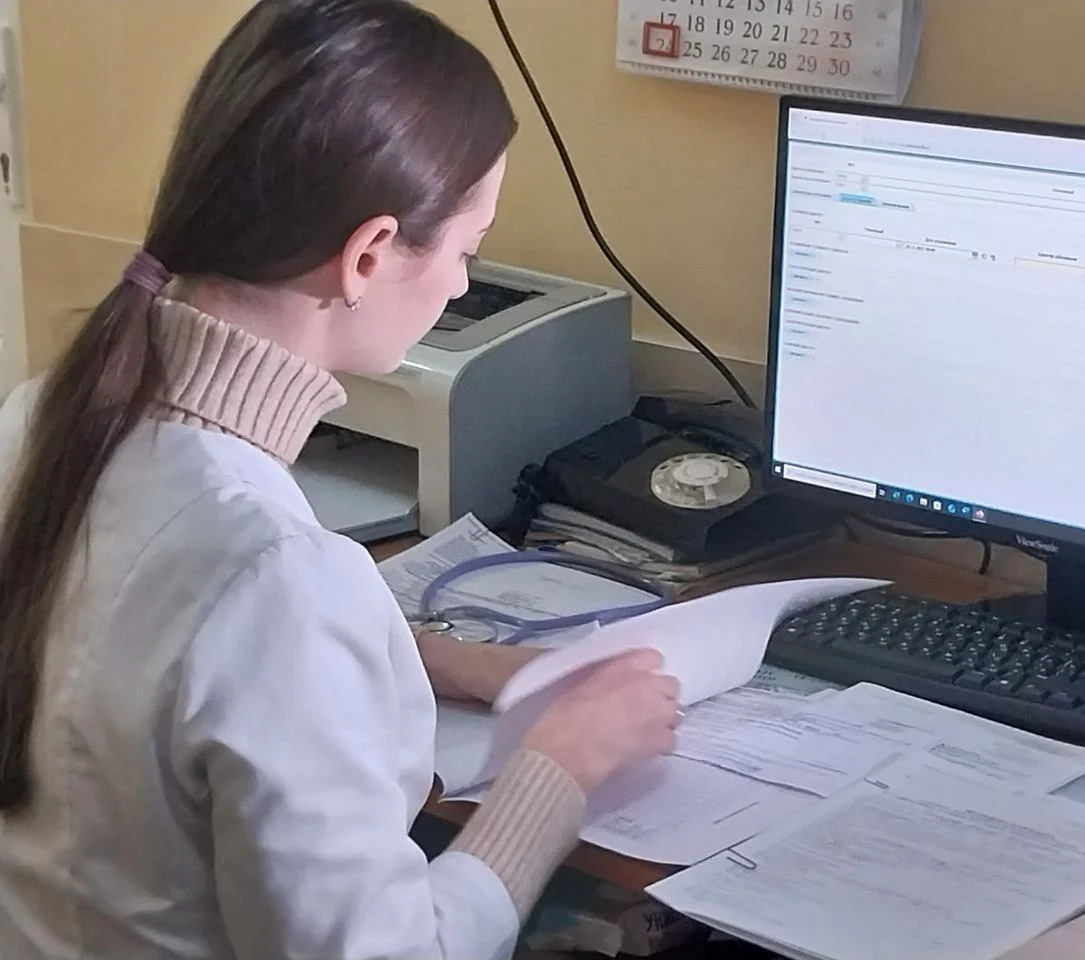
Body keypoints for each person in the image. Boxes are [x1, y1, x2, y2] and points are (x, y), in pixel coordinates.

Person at [0, 2, 681, 958]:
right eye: (465, 250)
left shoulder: (37, 421)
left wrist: (430, 656)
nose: (459, 283)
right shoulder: (275, 575)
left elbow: (161, 648)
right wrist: (563, 762)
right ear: (366, 256)